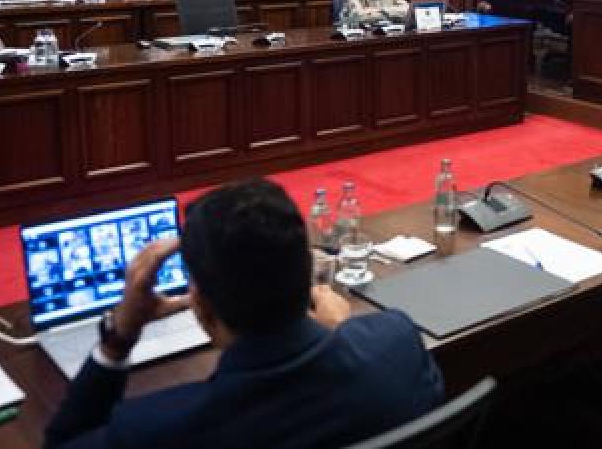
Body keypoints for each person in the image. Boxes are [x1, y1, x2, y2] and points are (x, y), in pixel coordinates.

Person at [44, 178, 444, 449]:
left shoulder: (155, 428)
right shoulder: (399, 342)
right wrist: (340, 336)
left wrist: (119, 337)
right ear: (307, 276)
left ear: (199, 306)